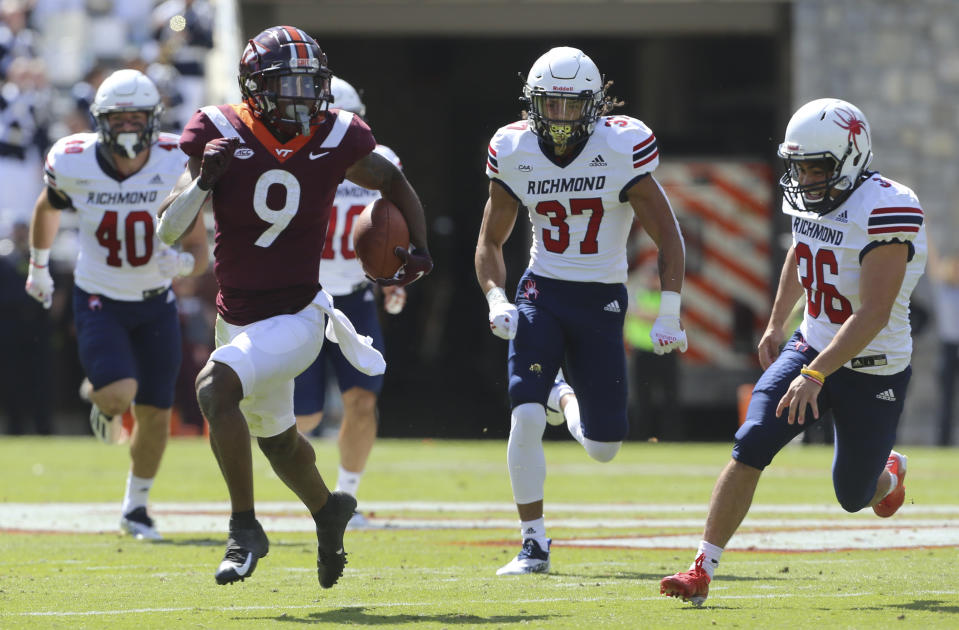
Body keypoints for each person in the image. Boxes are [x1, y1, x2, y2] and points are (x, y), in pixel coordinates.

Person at [156, 25, 431, 589]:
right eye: (288, 84)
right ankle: (329, 513)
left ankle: (244, 529)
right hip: (236, 318)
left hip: (299, 315)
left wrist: (421, 249)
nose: (303, 98)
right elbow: (168, 231)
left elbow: (392, 180)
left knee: (214, 390)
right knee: (279, 441)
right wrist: (202, 182)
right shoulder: (219, 129)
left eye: (310, 84)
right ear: (256, 89)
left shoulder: (337, 134)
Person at [660, 98, 926, 606]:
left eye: (816, 166)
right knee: (753, 439)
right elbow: (801, 249)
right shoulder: (808, 200)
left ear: (851, 157)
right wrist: (778, 320)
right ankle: (701, 568)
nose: (805, 178)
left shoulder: (890, 208)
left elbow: (872, 314)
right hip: (813, 346)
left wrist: (818, 374)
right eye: (798, 166)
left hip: (872, 366)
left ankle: (886, 472)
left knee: (853, 495)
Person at [475, 46, 687, 575]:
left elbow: (669, 238)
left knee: (603, 448)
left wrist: (669, 312)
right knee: (523, 416)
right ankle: (533, 544)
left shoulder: (622, 146)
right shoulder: (515, 149)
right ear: (532, 104)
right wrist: (497, 298)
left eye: (572, 106)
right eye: (550, 105)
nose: (560, 118)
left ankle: (561, 394)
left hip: (602, 299)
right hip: (541, 292)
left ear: (594, 106)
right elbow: (489, 242)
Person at [24, 68, 209, 538]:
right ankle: (100, 400)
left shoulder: (176, 160)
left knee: (154, 413)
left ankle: (136, 507)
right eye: (118, 117)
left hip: (155, 301)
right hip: (100, 296)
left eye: (136, 117)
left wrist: (181, 268)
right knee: (119, 394)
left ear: (154, 119)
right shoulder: (74, 159)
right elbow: (47, 206)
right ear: (100, 121)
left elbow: (201, 254)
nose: (127, 126)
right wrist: (39, 266)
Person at [293, 76, 407, 529]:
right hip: (301, 296)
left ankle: (347, 496)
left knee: (362, 399)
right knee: (304, 414)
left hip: (356, 297)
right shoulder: (294, 161)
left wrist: (394, 277)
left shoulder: (382, 164)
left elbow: (395, 228)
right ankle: (304, 490)